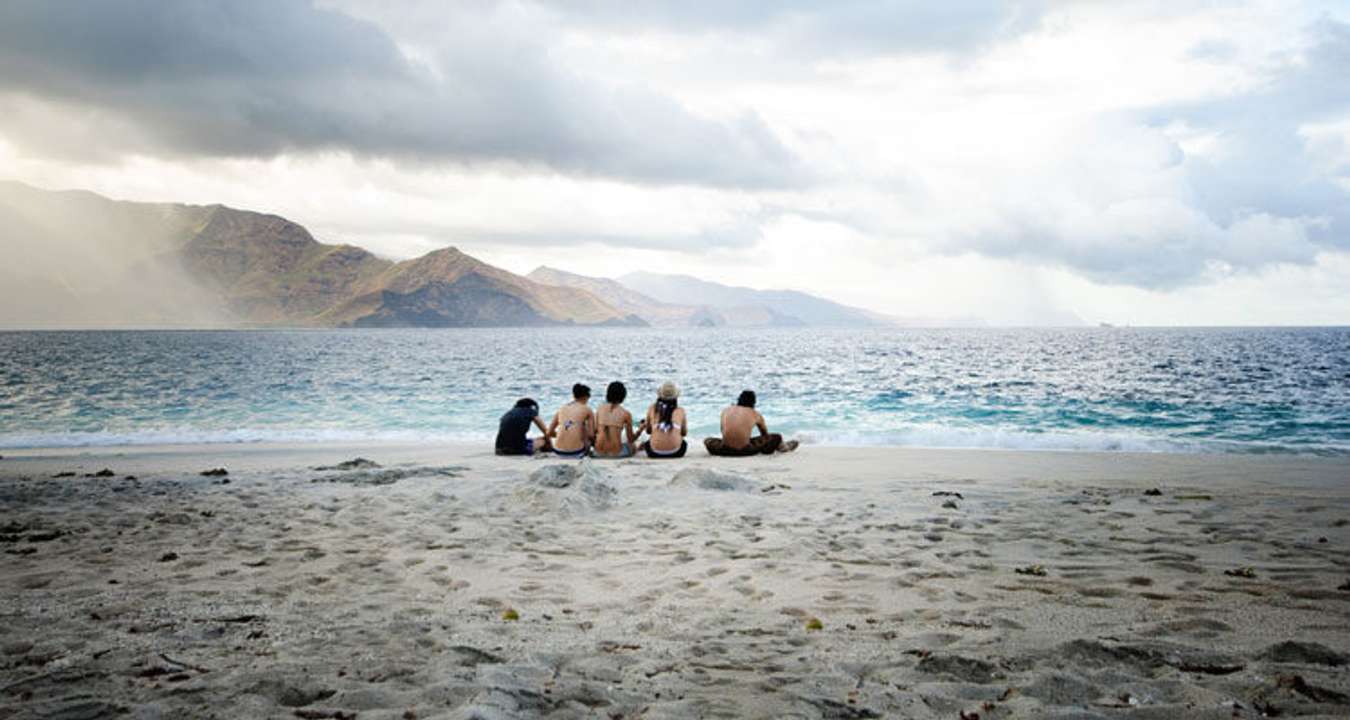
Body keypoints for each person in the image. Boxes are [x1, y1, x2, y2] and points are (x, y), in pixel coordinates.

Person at [704, 390, 799, 456]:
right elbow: (764, 435)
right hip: (745, 451)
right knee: (776, 436)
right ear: (753, 403)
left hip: (724, 450)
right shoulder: (755, 413)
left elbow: (723, 431)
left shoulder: (726, 410)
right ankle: (784, 448)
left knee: (707, 440)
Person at [639, 381, 688, 458]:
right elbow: (684, 433)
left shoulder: (652, 409)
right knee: (684, 443)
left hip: (654, 453)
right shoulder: (680, 411)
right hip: (676, 452)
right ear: (675, 398)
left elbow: (648, 431)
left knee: (648, 443)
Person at [548, 383, 595, 458]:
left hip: (558, 451)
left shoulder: (562, 408)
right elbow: (591, 434)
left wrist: (566, 434)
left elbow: (549, 432)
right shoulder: (587, 410)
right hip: (576, 452)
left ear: (574, 396)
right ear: (587, 397)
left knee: (574, 425)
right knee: (583, 427)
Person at [594, 381, 637, 458]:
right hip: (616, 453)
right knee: (632, 445)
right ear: (623, 396)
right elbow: (631, 439)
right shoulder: (625, 413)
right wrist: (641, 429)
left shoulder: (599, 410)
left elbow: (595, 431)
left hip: (598, 452)